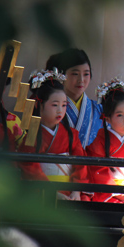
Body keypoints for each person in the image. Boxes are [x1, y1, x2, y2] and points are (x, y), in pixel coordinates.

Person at [17, 69, 88, 201]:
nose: (60, 110)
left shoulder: (71, 135)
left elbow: (81, 164)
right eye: (55, 105)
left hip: (70, 192)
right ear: (39, 105)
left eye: (64, 105)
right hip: (43, 193)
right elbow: (30, 168)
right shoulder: (33, 136)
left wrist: (76, 191)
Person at [86, 78, 124, 204]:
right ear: (107, 119)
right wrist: (118, 193)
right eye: (119, 115)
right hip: (109, 194)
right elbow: (98, 171)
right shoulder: (99, 142)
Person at [46, 48, 102, 147]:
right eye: (75, 74)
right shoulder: (48, 106)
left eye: (86, 74)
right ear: (61, 75)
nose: (81, 80)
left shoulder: (99, 110)